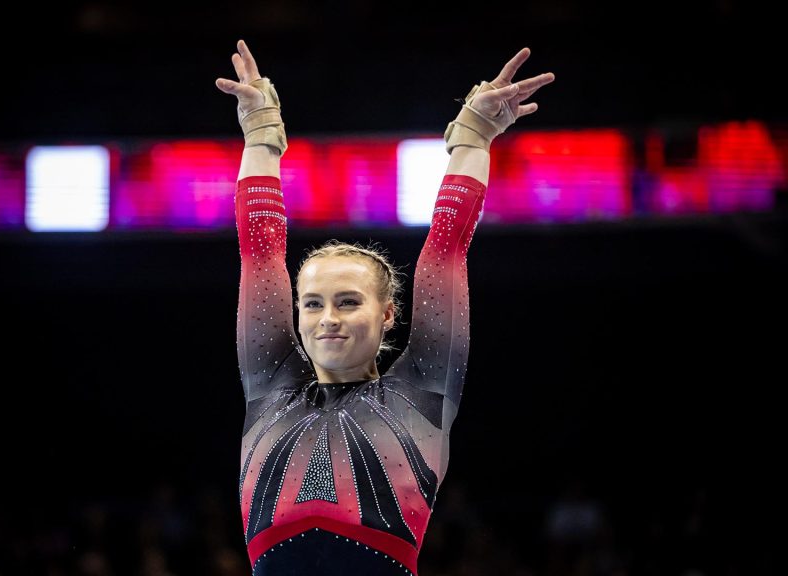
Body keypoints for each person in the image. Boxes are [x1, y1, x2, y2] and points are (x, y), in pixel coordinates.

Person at [217, 39, 554, 576]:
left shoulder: (422, 391)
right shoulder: (269, 384)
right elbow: (259, 252)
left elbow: (446, 250)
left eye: (348, 302)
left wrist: (474, 138)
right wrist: (259, 135)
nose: (328, 317)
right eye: (313, 304)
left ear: (389, 314)